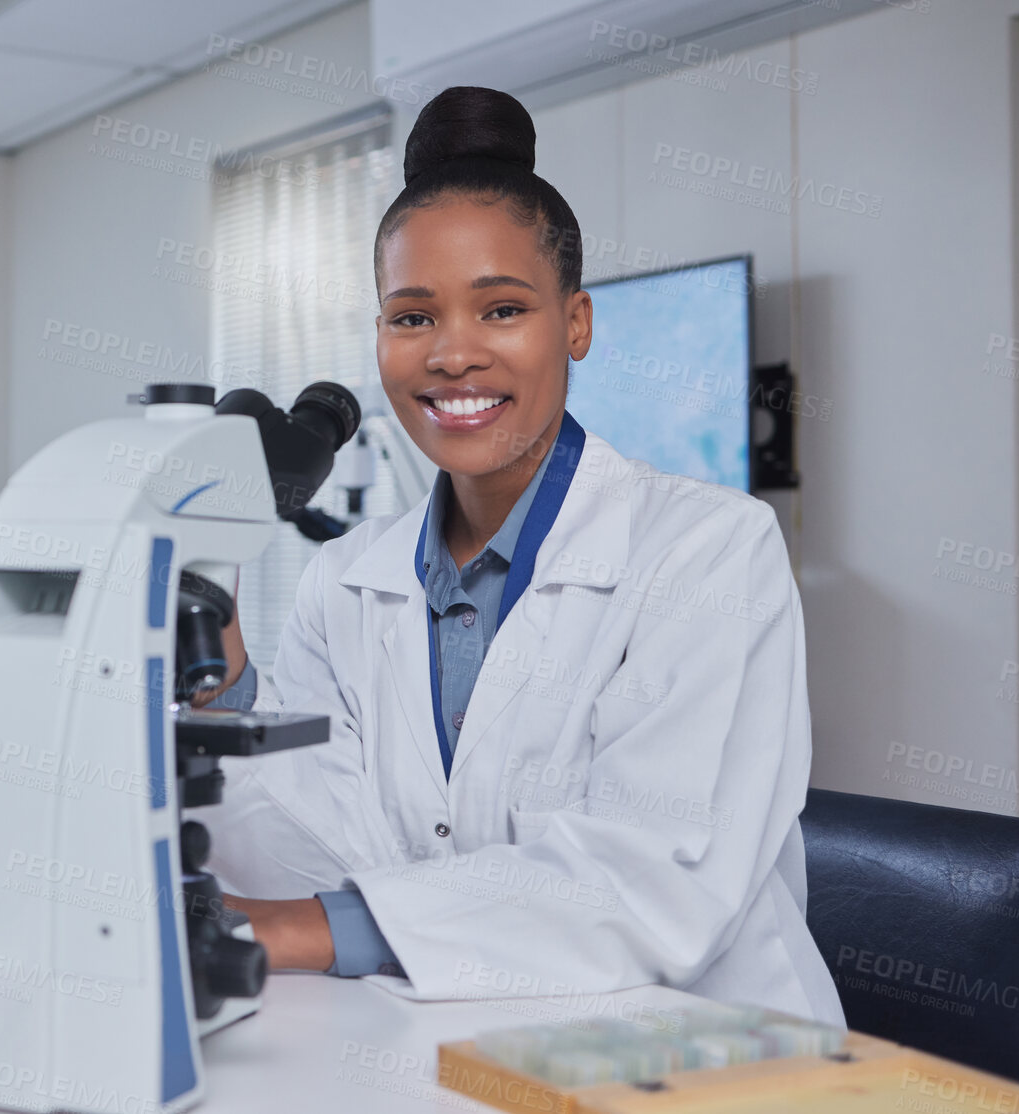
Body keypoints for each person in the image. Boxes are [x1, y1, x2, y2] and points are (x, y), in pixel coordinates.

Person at [202, 87, 844, 1026]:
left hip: (709, 1052)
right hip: (460, 1040)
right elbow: (297, 842)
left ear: (574, 323)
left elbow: (649, 881)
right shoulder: (344, 579)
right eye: (411, 318)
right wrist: (220, 682)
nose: (451, 356)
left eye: (500, 310)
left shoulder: (709, 551)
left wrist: (299, 930)